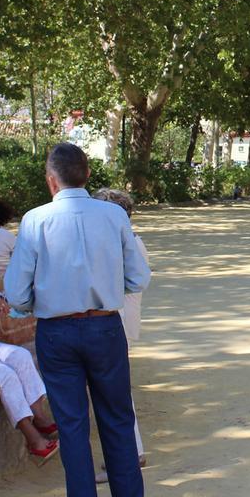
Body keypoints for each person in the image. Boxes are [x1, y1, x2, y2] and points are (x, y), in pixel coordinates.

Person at [5, 143, 151, 497]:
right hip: (104, 327)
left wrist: (34, 303)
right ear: (87, 175)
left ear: (51, 181)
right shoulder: (114, 216)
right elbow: (138, 277)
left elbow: (17, 291)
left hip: (57, 332)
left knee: (72, 427)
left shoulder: (35, 220)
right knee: (117, 420)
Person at [0, 275, 58, 463]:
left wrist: (22, 297)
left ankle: (39, 416)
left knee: (21, 356)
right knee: (5, 375)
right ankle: (33, 439)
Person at [92, 188, 149, 475]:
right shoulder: (129, 241)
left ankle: (128, 453)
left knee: (113, 394)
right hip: (119, 322)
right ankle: (130, 451)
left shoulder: (121, 243)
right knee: (115, 392)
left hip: (114, 322)